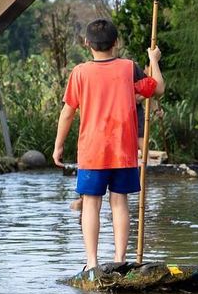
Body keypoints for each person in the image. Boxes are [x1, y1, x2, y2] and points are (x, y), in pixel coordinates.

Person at [53, 19, 164, 276]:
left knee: (91, 203)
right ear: (116, 42)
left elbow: (67, 113)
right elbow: (158, 88)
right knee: (119, 202)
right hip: (123, 150)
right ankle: (119, 260)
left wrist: (58, 146)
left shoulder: (80, 73)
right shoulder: (129, 68)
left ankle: (92, 263)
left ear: (87, 43)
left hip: (92, 152)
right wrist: (154, 60)